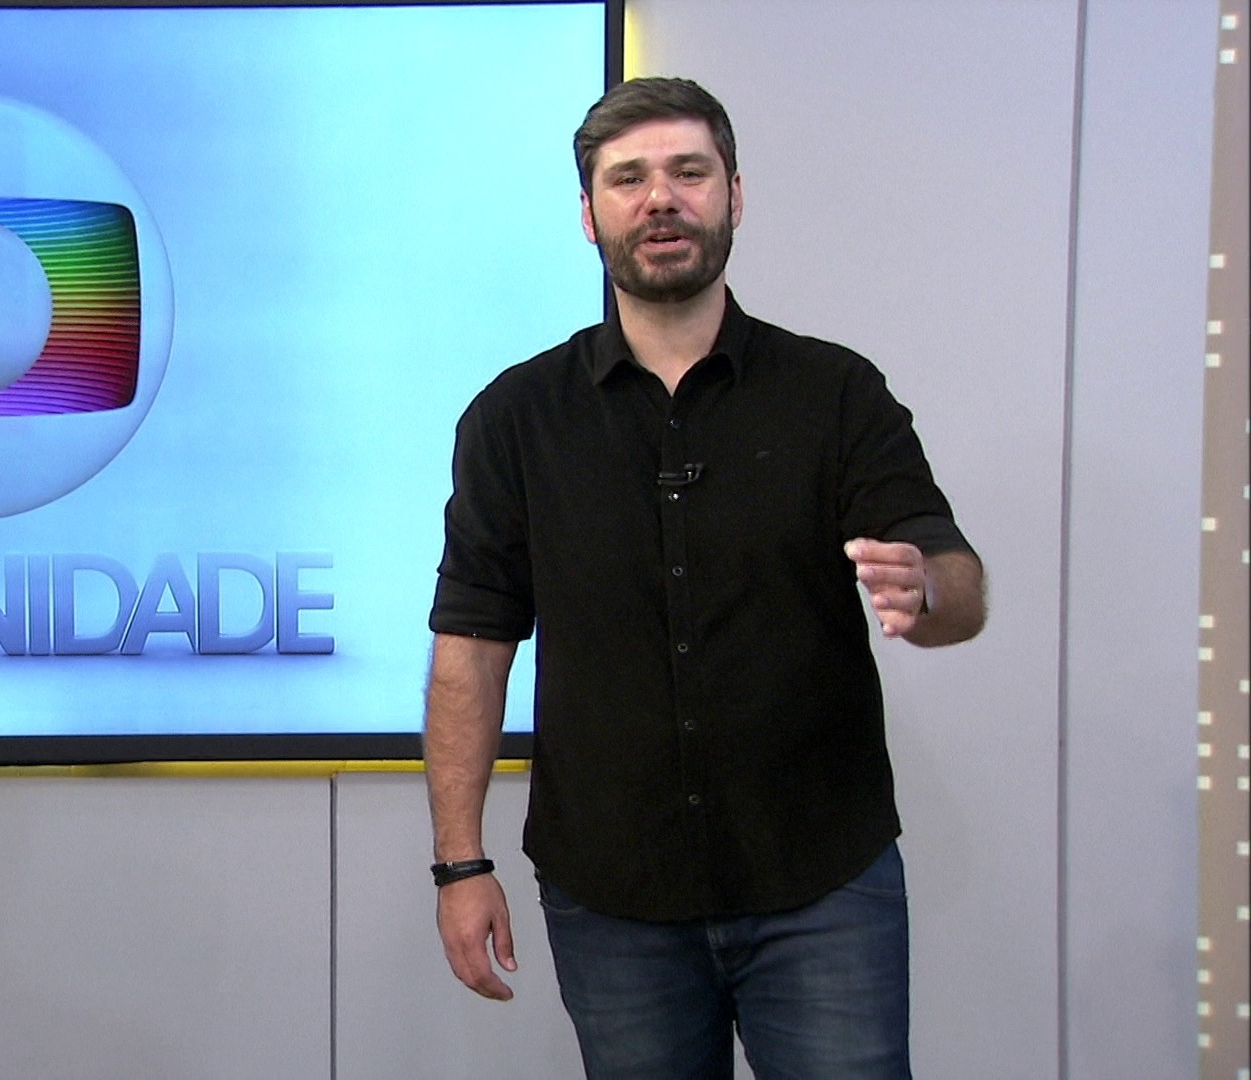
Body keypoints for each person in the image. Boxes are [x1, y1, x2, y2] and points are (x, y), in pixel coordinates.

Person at [423, 77, 987, 1080]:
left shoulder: (834, 393)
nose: (660, 199)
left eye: (689, 172)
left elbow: (956, 581)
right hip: (612, 896)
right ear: (589, 215)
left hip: (821, 881)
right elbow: (471, 648)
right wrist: (460, 862)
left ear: (734, 194)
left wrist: (928, 590)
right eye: (628, 179)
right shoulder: (515, 419)